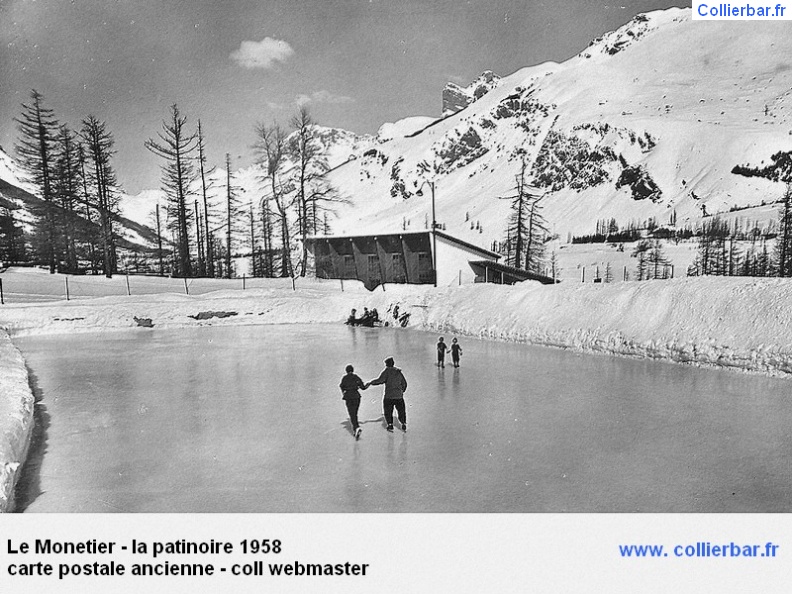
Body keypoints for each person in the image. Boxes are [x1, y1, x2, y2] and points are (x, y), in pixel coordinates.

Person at [366, 356, 408, 432]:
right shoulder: (398, 372)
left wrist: (371, 383)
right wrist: (401, 391)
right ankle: (403, 423)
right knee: (401, 410)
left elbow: (380, 380)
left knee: (388, 410)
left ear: (387, 364)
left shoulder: (387, 372)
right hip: (399, 396)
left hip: (389, 396)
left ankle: (390, 424)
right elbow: (404, 383)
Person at [340, 364, 368, 439]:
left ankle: (356, 428)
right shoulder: (356, 377)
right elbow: (363, 387)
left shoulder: (345, 378)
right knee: (354, 413)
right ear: (352, 370)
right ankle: (356, 428)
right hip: (356, 396)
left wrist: (344, 392)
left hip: (348, 397)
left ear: (346, 371)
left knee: (352, 414)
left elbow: (341, 386)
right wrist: (368, 385)